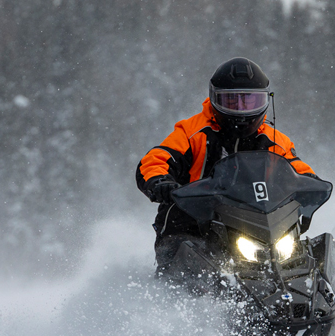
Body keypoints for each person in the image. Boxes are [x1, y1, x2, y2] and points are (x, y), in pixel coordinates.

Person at [135, 57, 316, 270]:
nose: (241, 110)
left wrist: (309, 183)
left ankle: (327, 295)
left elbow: (296, 168)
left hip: (255, 224)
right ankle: (172, 297)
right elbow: (157, 159)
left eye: (250, 101)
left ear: (266, 101)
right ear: (214, 99)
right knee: (182, 250)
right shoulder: (192, 132)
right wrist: (160, 182)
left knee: (314, 252)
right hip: (194, 223)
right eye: (231, 101)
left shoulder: (274, 140)